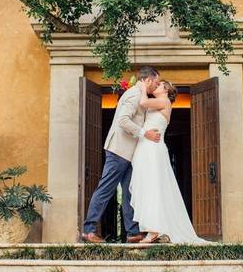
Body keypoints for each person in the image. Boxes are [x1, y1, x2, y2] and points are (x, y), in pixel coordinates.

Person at [80, 66, 161, 243]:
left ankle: (132, 232)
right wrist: (144, 133)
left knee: (128, 192)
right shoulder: (133, 94)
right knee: (106, 189)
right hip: (119, 151)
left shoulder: (138, 94)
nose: (156, 87)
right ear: (147, 80)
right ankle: (89, 230)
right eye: (155, 83)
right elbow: (123, 120)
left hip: (128, 154)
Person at [129, 80, 207, 244]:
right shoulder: (157, 103)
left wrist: (142, 88)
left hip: (152, 149)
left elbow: (143, 102)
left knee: (152, 187)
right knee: (147, 187)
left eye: (159, 85)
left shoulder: (164, 101)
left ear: (165, 89)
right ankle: (155, 229)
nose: (155, 86)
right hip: (146, 147)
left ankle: (154, 230)